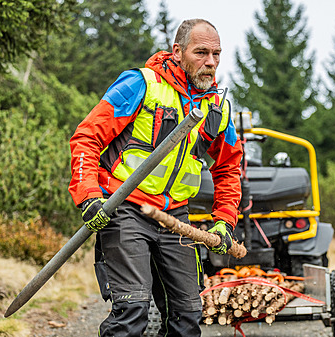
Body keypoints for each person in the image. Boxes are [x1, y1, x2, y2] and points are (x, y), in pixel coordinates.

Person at [68, 19, 243, 337]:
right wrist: (88, 196)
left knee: (188, 317)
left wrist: (224, 222)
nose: (211, 62)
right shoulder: (141, 84)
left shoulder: (218, 108)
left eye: (217, 54)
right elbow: (86, 137)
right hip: (124, 209)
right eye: (201, 52)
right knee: (132, 311)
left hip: (175, 217)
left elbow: (229, 169)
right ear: (177, 52)